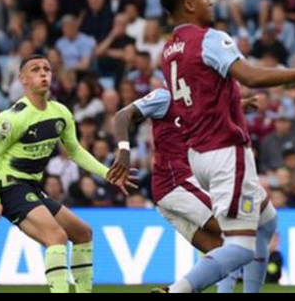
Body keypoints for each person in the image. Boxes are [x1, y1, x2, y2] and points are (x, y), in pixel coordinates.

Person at [142, 0, 295, 293]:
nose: (209, 1)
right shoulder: (210, 39)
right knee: (240, 246)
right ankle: (177, 291)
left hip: (200, 155)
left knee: (267, 223)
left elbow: (196, 97)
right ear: (188, 4)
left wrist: (235, 101)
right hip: (227, 151)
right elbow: (251, 75)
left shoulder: (168, 50)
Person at [0, 54, 134, 293]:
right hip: (9, 187)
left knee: (83, 233)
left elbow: (75, 151)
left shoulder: (60, 113)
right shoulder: (13, 118)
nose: (43, 74)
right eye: (35, 70)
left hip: (32, 188)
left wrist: (108, 173)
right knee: (56, 236)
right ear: (23, 79)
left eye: (47, 69)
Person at [109, 88, 278, 294]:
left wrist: (237, 106)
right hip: (177, 183)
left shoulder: (196, 100)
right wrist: (124, 151)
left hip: (178, 188)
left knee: (222, 248)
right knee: (242, 234)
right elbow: (122, 115)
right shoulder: (165, 96)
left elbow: (209, 112)